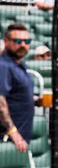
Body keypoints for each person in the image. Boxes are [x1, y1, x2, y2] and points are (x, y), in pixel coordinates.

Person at [0, 23, 34, 154]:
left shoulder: (20, 64)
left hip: (20, 138)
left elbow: (14, 94)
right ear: (6, 42)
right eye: (18, 41)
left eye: (27, 41)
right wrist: (13, 131)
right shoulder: (3, 66)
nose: (23, 45)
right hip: (7, 138)